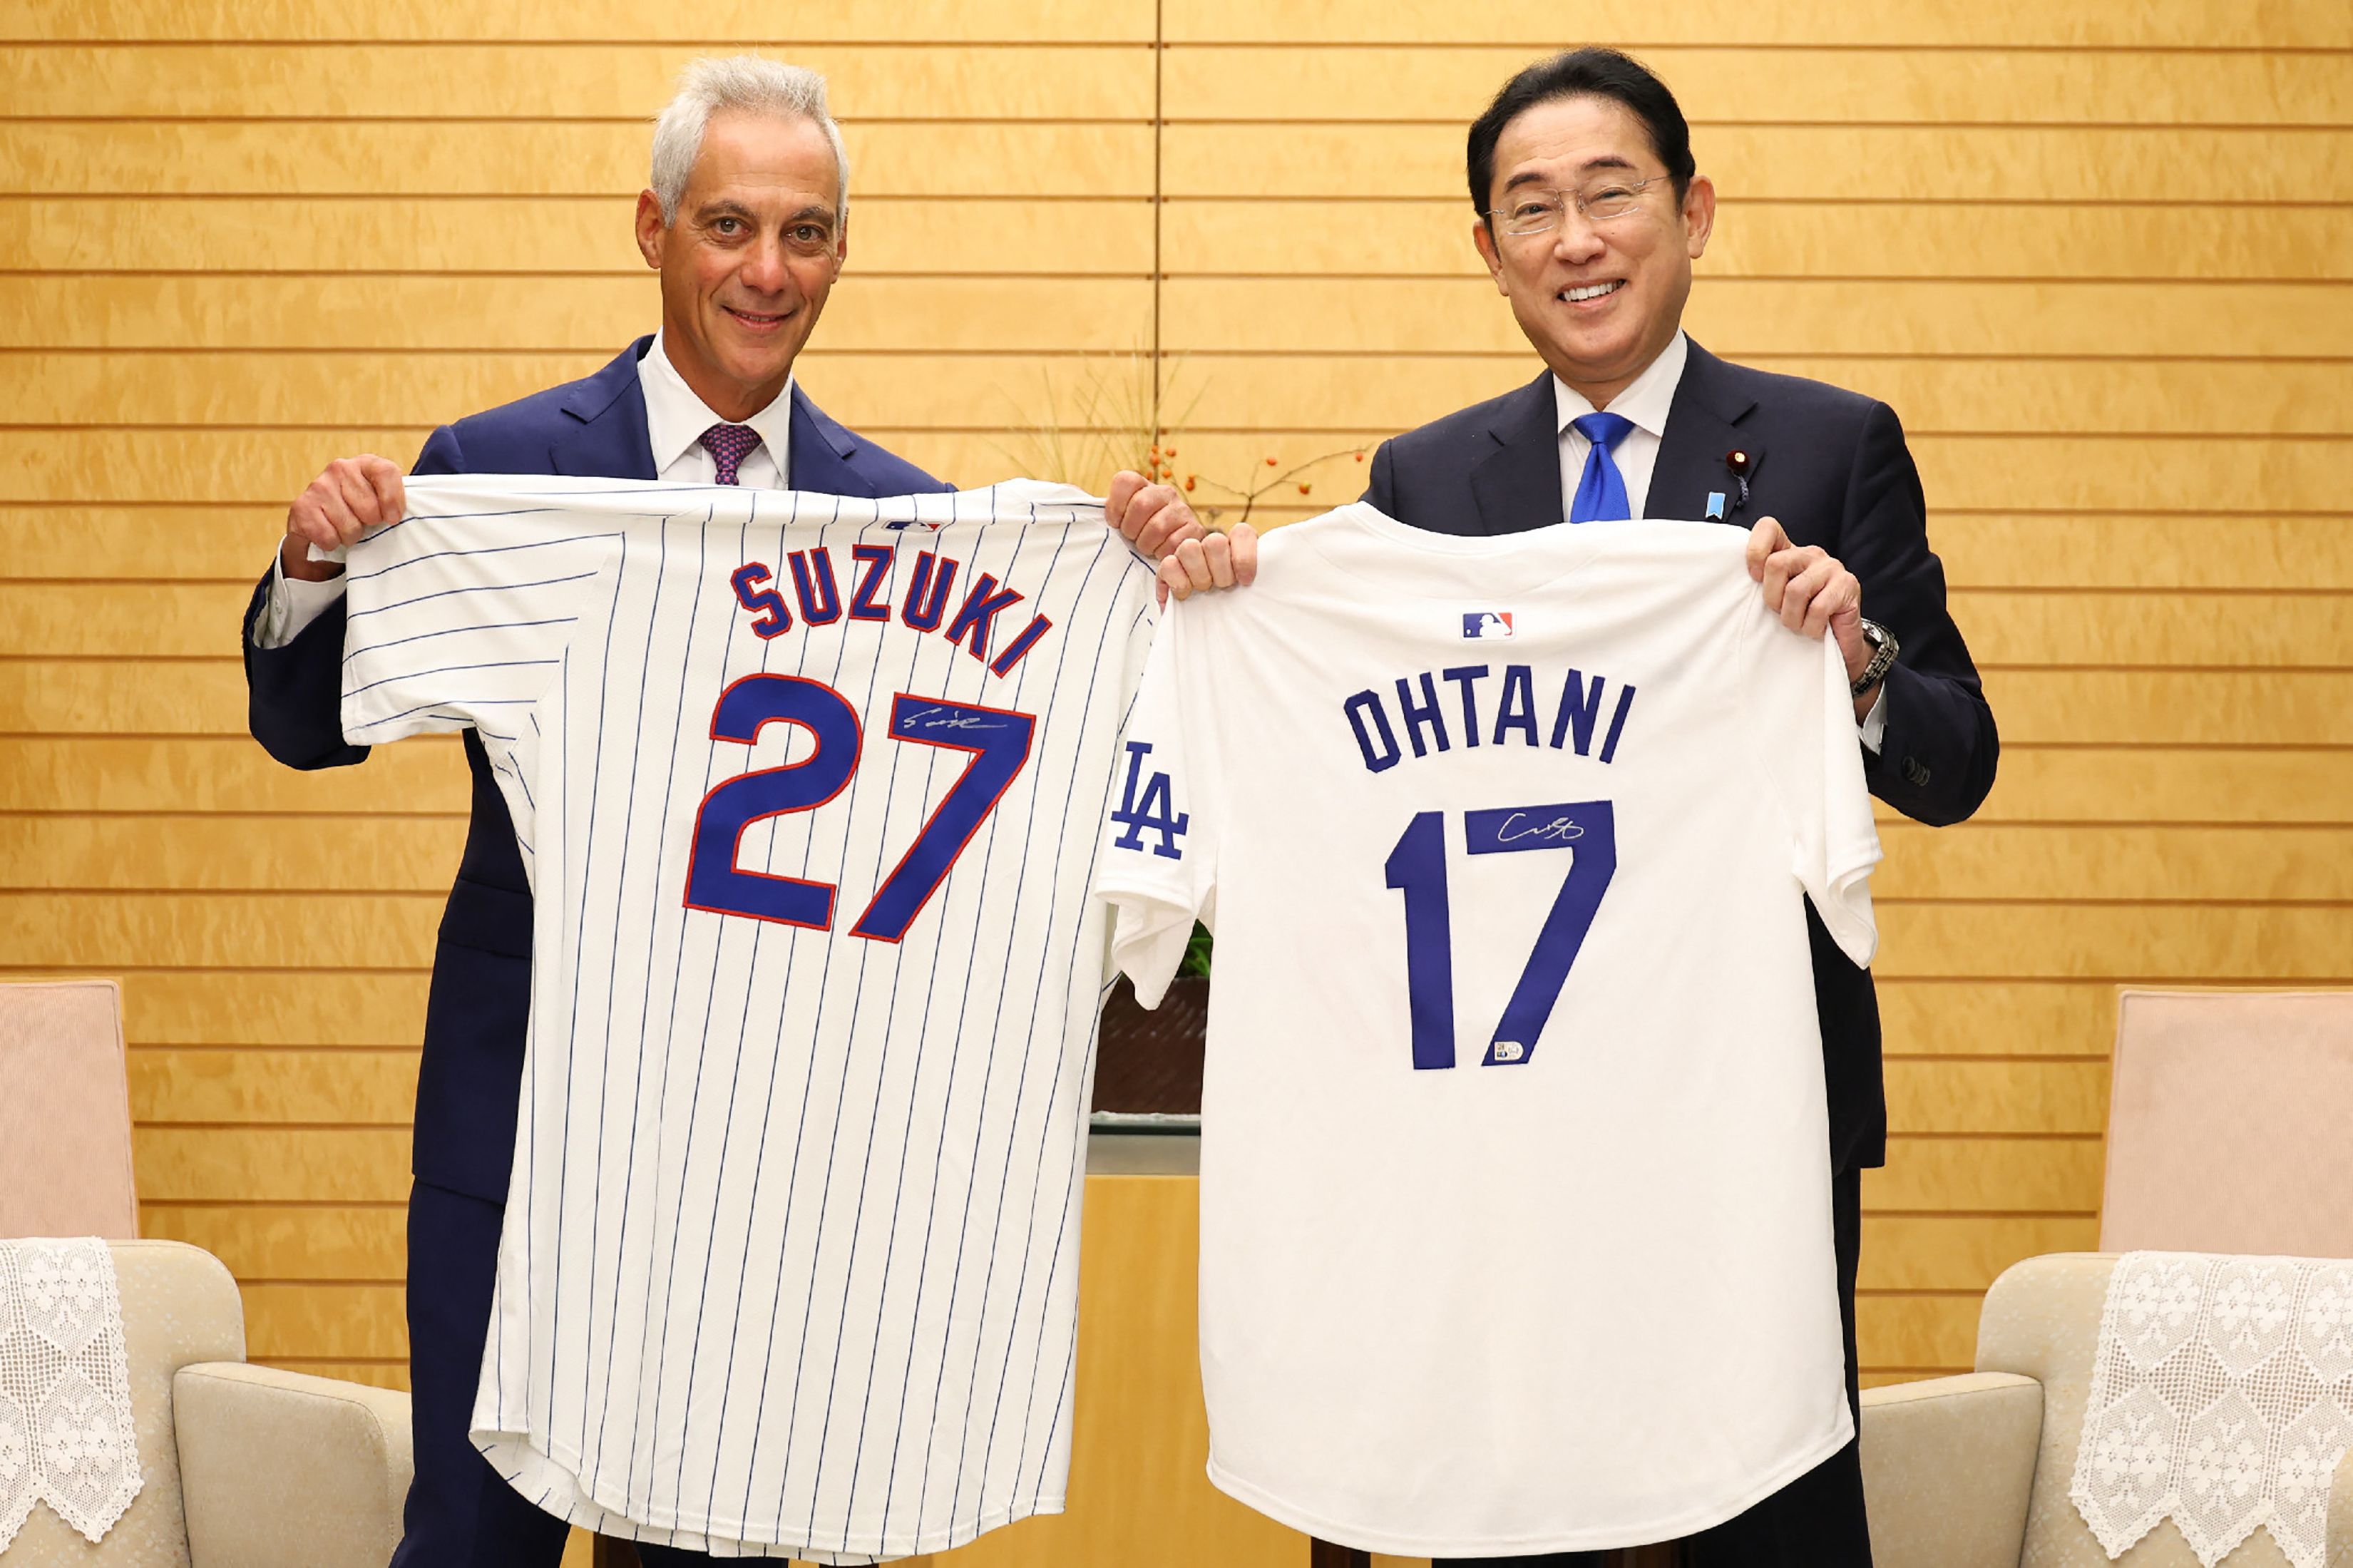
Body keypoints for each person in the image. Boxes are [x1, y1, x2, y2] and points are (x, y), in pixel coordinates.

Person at [244, 56, 1204, 1565]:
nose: (769, 271)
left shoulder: (904, 522)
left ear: (841, 249)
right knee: (473, 1542)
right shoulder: (502, 474)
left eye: (807, 233)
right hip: (527, 1123)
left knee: (730, 1541)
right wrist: (314, 567)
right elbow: (302, 729)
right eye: (731, 226)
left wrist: (1148, 583)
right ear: (654, 227)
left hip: (760, 1143)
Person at [1149, 46, 1998, 1567]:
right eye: (1530, 210)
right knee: (1514, 1513)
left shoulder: (1828, 443)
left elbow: (1958, 755)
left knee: (1761, 1513)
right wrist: (1220, 596)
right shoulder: (1423, 478)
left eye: (1611, 194)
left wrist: (1853, 660)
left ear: (1693, 211)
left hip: (1740, 1117)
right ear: (1489, 252)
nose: (1576, 239)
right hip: (1497, 1130)